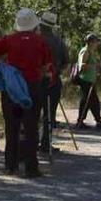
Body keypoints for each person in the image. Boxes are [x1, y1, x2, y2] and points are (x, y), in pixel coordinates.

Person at [0, 8, 54, 178]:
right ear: (33, 24)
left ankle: (10, 166)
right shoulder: (40, 41)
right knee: (31, 129)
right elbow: (47, 65)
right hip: (31, 88)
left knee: (12, 127)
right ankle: (31, 168)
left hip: (12, 89)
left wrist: (0, 63)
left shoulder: (9, 39)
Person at [38, 11, 69, 152]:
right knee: (49, 115)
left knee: (33, 112)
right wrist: (56, 70)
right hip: (54, 81)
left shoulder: (35, 39)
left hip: (35, 80)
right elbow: (66, 63)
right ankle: (45, 144)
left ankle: (31, 143)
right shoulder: (59, 41)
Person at [75, 33, 101, 130]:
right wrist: (94, 66)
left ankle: (84, 121)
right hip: (85, 80)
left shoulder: (91, 51)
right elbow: (82, 66)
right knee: (92, 101)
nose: (97, 43)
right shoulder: (85, 51)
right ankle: (94, 121)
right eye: (96, 42)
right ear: (91, 42)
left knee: (88, 101)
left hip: (90, 80)